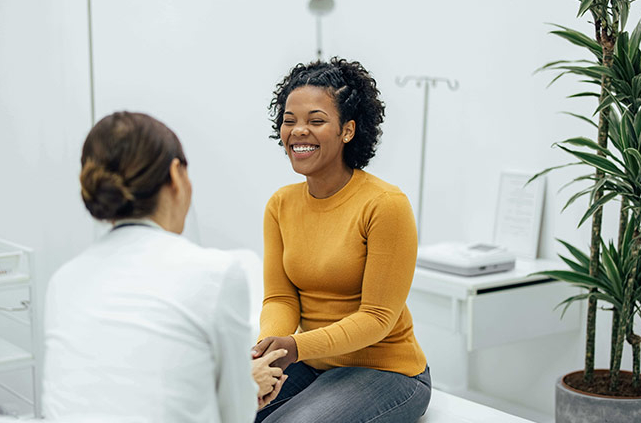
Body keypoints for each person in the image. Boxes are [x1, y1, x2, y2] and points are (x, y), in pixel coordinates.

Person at [43, 111, 286, 423]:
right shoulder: (216, 273)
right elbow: (235, 417)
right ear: (175, 174)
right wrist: (247, 385)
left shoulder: (63, 281)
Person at [252, 58, 431, 423]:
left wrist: (296, 347)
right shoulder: (280, 204)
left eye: (316, 121)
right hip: (313, 364)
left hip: (388, 371)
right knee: (224, 411)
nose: (299, 131)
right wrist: (268, 354)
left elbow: (377, 318)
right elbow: (280, 298)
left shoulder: (384, 204)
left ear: (347, 130)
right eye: (290, 121)